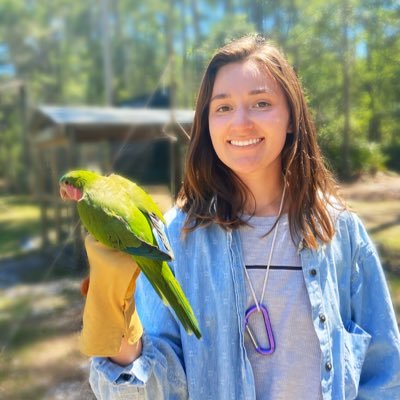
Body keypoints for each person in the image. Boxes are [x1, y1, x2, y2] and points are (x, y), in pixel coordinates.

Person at [82, 35, 400, 399]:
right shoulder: (174, 237)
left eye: (261, 103)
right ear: (208, 123)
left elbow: (386, 374)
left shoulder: (341, 233)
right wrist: (113, 322)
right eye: (223, 108)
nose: (241, 122)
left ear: (292, 118)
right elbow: (152, 389)